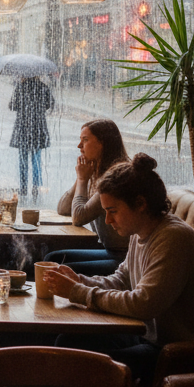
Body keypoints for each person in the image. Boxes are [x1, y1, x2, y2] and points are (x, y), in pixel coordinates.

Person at [43, 153, 194, 385]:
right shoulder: (140, 231)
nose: (107, 220)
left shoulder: (173, 238)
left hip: (184, 353)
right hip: (151, 338)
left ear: (140, 204)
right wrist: (79, 281)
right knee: (69, 342)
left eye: (113, 211)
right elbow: (123, 279)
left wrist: (77, 292)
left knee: (81, 361)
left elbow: (143, 304)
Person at [46, 118, 131, 276]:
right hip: (111, 251)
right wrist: (81, 177)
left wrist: (83, 180)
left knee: (58, 270)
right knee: (52, 259)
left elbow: (78, 217)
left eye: (85, 140)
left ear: (102, 143)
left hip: (126, 257)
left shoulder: (116, 175)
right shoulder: (98, 170)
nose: (79, 146)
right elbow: (63, 209)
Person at [8, 75, 54, 198]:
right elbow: (50, 104)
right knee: (36, 161)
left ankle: (23, 188)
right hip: (38, 128)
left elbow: (12, 105)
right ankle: (36, 188)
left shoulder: (20, 87)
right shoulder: (43, 87)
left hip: (23, 128)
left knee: (23, 161)